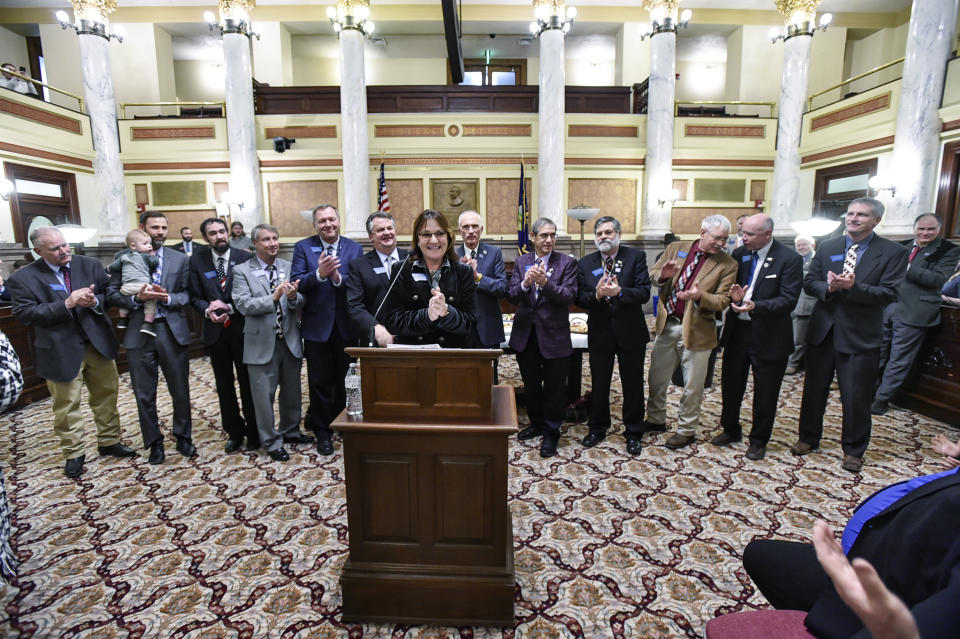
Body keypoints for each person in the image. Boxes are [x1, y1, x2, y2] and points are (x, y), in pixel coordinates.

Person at [742, 458, 960, 639]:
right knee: (761, 555)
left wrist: (886, 624)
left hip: (884, 602)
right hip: (862, 569)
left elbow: (939, 619)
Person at [793, 198, 908, 473]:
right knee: (813, 391)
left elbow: (889, 293)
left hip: (860, 334)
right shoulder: (829, 246)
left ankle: (854, 450)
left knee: (855, 396)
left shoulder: (892, 252)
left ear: (876, 220)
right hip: (823, 331)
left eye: (862, 215)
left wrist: (853, 288)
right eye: (851, 214)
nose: (853, 218)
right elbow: (810, 283)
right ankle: (808, 438)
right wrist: (830, 289)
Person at [8, 227, 133, 478]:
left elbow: (109, 295)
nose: (64, 250)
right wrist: (67, 303)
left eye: (65, 245)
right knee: (67, 405)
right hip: (59, 349)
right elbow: (25, 314)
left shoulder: (89, 265)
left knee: (107, 395)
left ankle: (109, 441)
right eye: (55, 248)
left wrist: (95, 301)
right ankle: (74, 453)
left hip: (97, 343)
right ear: (38, 251)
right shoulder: (23, 279)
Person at [107, 212, 195, 465]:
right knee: (144, 393)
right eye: (154, 227)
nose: (160, 232)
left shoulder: (179, 259)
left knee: (180, 389)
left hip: (171, 330)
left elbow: (187, 294)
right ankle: (154, 442)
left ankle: (183, 436)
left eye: (164, 227)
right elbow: (112, 294)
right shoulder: (123, 257)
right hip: (138, 332)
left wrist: (168, 298)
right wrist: (137, 299)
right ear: (142, 229)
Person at [713, 214, 802, 460]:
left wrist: (756, 306)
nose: (744, 237)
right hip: (737, 333)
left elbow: (789, 300)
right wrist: (735, 300)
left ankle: (759, 440)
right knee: (731, 386)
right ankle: (730, 429)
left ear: (768, 234)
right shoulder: (740, 254)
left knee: (765, 392)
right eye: (743, 232)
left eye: (750, 234)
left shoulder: (789, 259)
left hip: (770, 335)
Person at [645, 215, 737, 450]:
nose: (720, 243)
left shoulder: (728, 264)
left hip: (699, 330)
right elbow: (653, 275)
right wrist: (664, 275)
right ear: (702, 232)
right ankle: (655, 420)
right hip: (667, 325)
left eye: (725, 239)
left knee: (693, 385)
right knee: (657, 378)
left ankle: (686, 430)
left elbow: (723, 300)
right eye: (716, 237)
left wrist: (699, 296)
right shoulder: (676, 248)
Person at [291, 204, 363, 456]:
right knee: (319, 381)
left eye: (331, 219)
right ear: (315, 225)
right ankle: (322, 431)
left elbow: (357, 282)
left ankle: (342, 421)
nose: (327, 224)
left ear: (339, 221)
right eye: (322, 221)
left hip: (346, 327)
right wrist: (320, 275)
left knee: (347, 381)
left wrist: (338, 279)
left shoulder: (354, 248)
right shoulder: (303, 247)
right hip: (317, 328)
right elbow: (297, 282)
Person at [575, 216, 651, 454]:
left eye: (608, 232)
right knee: (599, 384)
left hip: (631, 331)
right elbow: (579, 298)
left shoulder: (635, 257)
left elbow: (644, 292)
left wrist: (620, 292)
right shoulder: (585, 263)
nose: (603, 237)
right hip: (600, 332)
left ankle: (633, 431)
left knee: (633, 384)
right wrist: (596, 296)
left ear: (618, 234)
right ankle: (597, 428)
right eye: (599, 233)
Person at [872, 214, 960, 415]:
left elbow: (938, 280)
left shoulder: (949, 250)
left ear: (938, 229)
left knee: (899, 359)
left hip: (915, 311)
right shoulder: (901, 246)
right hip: (886, 306)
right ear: (914, 228)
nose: (925, 233)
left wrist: (907, 267)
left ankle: (882, 399)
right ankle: (867, 392)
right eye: (921, 229)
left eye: (930, 229)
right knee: (875, 352)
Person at [232, 224, 305, 462]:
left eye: (275, 238)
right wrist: (273, 298)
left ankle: (291, 430)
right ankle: (271, 441)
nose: (273, 243)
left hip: (290, 340)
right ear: (255, 244)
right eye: (266, 239)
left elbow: (300, 301)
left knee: (292, 392)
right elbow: (243, 305)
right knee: (264, 397)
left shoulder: (288, 266)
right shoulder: (242, 271)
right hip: (261, 344)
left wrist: (294, 297)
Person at [188, 217, 260, 453]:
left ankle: (254, 431)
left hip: (242, 330)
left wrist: (229, 306)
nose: (219, 236)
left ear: (228, 233)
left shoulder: (245, 258)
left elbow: (252, 294)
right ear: (205, 238)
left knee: (248, 383)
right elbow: (194, 296)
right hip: (215, 332)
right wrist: (208, 310)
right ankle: (234, 432)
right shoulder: (197, 261)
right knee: (224, 384)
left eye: (222, 231)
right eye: (212, 233)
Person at [509, 218, 578, 458]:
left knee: (554, 387)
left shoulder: (566, 263)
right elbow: (512, 295)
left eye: (552, 235)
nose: (549, 240)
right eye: (544, 236)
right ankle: (536, 423)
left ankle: (551, 431)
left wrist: (545, 283)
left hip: (554, 336)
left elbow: (568, 296)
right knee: (531, 385)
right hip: (526, 335)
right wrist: (526, 283)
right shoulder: (521, 261)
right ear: (533, 237)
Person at [383, 209, 477, 347]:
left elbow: (470, 324)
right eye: (426, 234)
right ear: (417, 239)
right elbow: (392, 322)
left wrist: (446, 312)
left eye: (440, 233)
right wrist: (426, 316)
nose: (434, 240)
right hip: (412, 357)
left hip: (453, 358)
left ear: (448, 237)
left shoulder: (463, 271)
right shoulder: (401, 269)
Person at [346, 211, 408, 346]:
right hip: (376, 340)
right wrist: (375, 328)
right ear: (371, 237)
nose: (387, 233)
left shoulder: (412, 259)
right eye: (380, 230)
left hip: (411, 336)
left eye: (390, 228)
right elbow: (355, 306)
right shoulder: (358, 266)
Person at [456, 210, 507, 354]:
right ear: (460, 231)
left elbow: (502, 288)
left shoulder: (494, 253)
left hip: (488, 326)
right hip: (460, 328)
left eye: (475, 226)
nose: (471, 231)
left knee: (490, 375)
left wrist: (478, 277)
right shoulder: (452, 256)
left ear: (481, 230)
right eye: (466, 227)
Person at [108, 229, 159, 335]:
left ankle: (122, 320)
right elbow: (155, 263)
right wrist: (153, 255)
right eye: (145, 244)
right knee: (151, 302)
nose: (149, 246)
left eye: (150, 243)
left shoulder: (123, 257)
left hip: (126, 287)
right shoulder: (145, 256)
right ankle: (147, 324)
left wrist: (107, 270)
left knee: (124, 303)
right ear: (133, 246)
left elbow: (113, 267)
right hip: (142, 286)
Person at [786, 234, 817, 375]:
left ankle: (793, 364)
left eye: (804, 244)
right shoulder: (794, 259)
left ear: (813, 245)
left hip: (806, 304)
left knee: (798, 338)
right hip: (791, 302)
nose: (801, 247)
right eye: (798, 245)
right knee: (791, 335)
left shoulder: (817, 260)